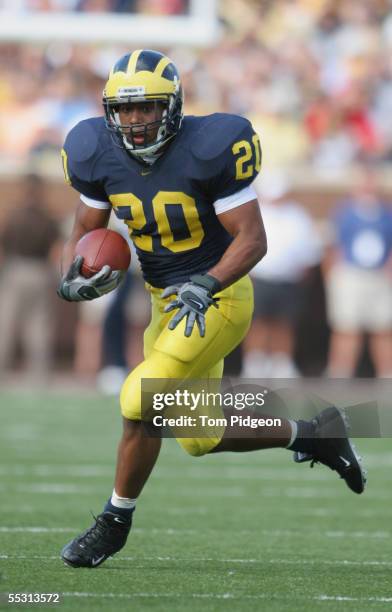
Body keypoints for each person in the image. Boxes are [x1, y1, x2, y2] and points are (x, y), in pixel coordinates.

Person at [57, 49, 366, 568]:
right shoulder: (92, 149)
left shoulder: (211, 146)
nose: (135, 120)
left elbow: (253, 239)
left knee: (139, 397)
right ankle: (316, 434)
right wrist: (73, 275)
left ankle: (113, 522)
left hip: (217, 296)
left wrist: (207, 282)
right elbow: (88, 230)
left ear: (173, 106)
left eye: (148, 107)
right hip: (163, 301)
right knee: (202, 437)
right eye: (126, 109)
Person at [242, 173, 322, 378]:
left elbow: (309, 249)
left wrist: (303, 272)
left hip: (288, 278)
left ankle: (281, 362)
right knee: (257, 322)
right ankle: (255, 363)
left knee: (284, 323)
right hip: (259, 277)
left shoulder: (297, 215)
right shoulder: (253, 212)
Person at [325, 168, 392, 377]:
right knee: (346, 327)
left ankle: (386, 374)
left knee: (383, 328)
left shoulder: (386, 214)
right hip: (350, 274)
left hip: (379, 276)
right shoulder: (343, 213)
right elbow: (332, 246)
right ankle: (340, 373)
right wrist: (332, 275)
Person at [0, 174, 59, 379]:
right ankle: (39, 373)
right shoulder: (48, 217)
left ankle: (3, 368)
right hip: (40, 271)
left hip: (16, 269)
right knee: (39, 325)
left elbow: (4, 245)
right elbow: (55, 250)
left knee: (7, 322)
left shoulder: (14, 215)